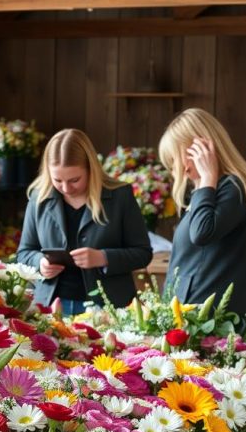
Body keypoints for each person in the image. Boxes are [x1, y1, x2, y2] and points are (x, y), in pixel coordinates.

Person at [17, 128, 152, 316]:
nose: (66, 188)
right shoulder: (38, 197)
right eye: (57, 180)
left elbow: (143, 253)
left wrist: (103, 258)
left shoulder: (120, 196)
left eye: (74, 180)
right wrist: (40, 263)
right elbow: (24, 253)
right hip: (49, 306)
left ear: (91, 168)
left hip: (108, 308)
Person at [158, 108, 246, 318]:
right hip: (194, 312)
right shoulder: (215, 189)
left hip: (209, 317)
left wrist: (207, 177)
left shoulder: (235, 187)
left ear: (199, 149)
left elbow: (202, 233)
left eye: (174, 159)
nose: (174, 170)